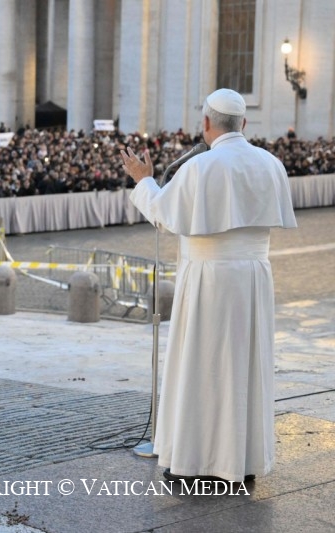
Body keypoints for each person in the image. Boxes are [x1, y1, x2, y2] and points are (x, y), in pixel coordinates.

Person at [119, 88, 297, 483]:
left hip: (210, 279)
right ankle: (242, 462)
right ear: (244, 124)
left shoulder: (199, 168)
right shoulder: (271, 164)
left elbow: (164, 215)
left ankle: (199, 464)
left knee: (205, 367)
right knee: (244, 367)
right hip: (253, 276)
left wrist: (144, 180)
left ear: (205, 124)